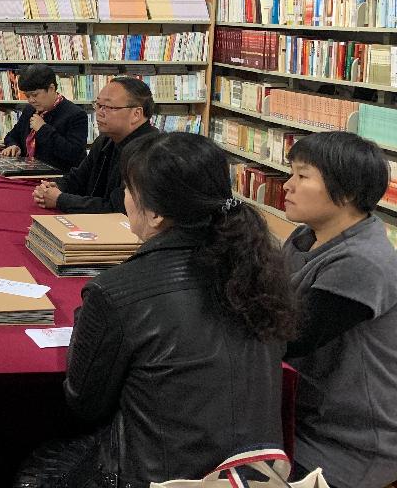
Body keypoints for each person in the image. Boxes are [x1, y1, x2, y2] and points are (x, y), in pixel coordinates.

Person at [16, 132, 297, 488]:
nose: (124, 199)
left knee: (35, 467)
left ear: (156, 213)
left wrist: (87, 322)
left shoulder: (116, 291)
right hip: (255, 473)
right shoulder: (259, 269)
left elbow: (84, 403)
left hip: (159, 476)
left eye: (128, 190)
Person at [280, 132, 397, 488]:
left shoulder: (363, 261)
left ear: (345, 192)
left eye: (302, 176)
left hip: (347, 443)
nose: (287, 185)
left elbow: (289, 337)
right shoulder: (304, 237)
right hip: (301, 415)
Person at [33, 76, 158, 214]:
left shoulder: (152, 153)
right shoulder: (105, 140)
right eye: (98, 105)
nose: (99, 113)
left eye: (108, 107)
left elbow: (118, 209)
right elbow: (79, 178)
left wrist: (60, 200)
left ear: (136, 114)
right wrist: (55, 187)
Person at [1, 64, 87, 171]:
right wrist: (13, 145)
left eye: (35, 95)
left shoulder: (76, 115)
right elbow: (12, 136)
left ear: (51, 88)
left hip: (57, 176)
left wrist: (43, 129)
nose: (31, 100)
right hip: (27, 172)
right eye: (27, 96)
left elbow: (73, 154)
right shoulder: (30, 110)